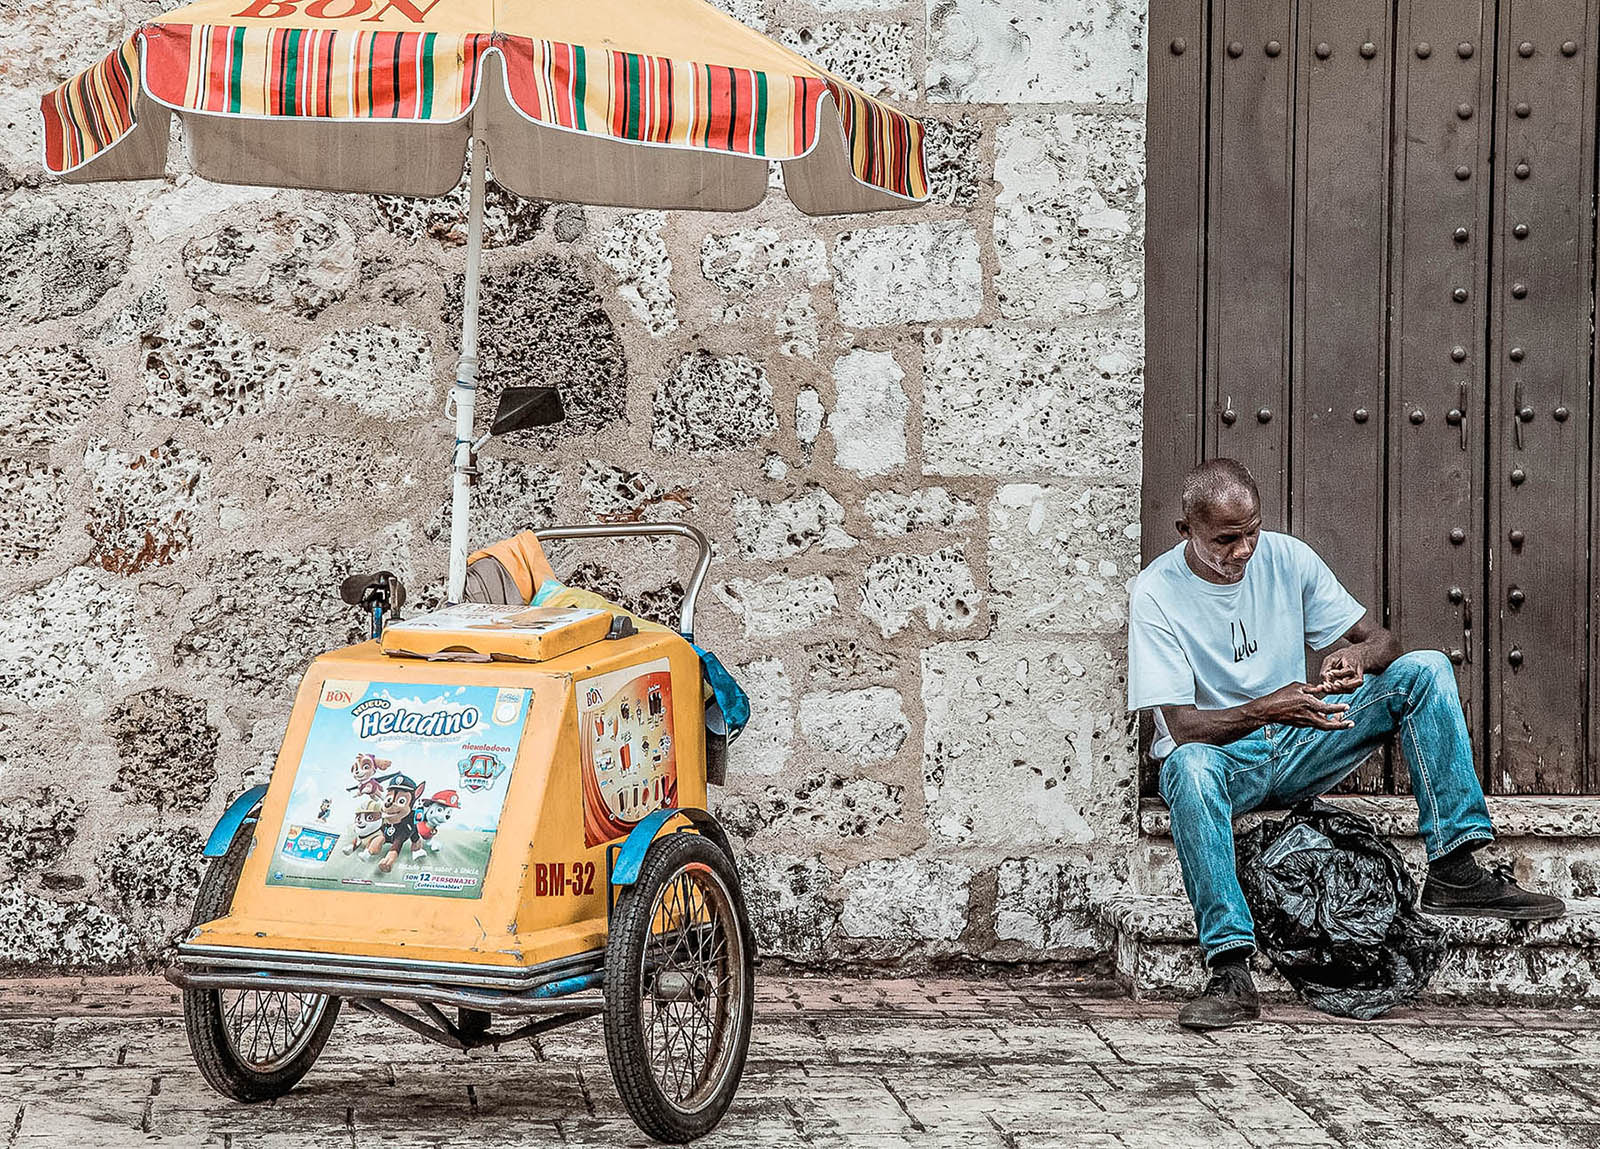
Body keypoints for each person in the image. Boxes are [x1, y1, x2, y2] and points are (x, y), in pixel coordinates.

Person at [1128, 458, 1564, 1032]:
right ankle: (1231, 970)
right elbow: (1183, 727)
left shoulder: (1286, 558)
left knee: (1426, 669)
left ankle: (1455, 868)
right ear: (1187, 531)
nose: (1242, 550)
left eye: (1251, 530)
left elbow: (1381, 639)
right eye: (1225, 540)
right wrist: (1268, 707)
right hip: (1225, 760)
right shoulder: (1156, 592)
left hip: (1302, 739)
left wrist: (1355, 658)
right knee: (1185, 768)